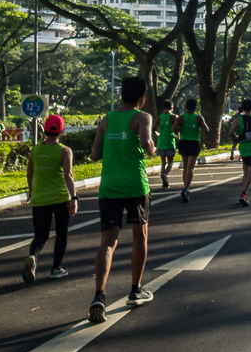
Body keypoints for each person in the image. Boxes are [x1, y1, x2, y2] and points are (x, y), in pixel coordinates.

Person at [88, 76, 156, 323]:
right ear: (142, 97)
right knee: (140, 236)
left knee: (107, 240)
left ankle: (99, 296)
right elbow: (145, 141)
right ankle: (136, 289)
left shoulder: (107, 119)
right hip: (135, 185)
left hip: (109, 187)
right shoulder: (142, 117)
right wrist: (152, 149)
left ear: (122, 95)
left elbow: (95, 155)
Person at [23, 114, 78, 282]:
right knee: (61, 234)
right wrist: (74, 198)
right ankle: (56, 268)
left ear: (44, 130)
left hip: (39, 199)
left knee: (40, 235)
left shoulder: (35, 150)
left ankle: (33, 256)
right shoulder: (64, 151)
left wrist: (31, 192)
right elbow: (68, 176)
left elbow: (29, 173)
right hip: (61, 198)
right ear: (61, 131)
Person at [172, 99, 209, 203]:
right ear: (195, 107)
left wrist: (180, 128)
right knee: (190, 167)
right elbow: (206, 130)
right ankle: (186, 188)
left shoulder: (181, 118)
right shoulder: (199, 118)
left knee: (185, 166)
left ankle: (185, 187)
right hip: (194, 143)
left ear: (186, 107)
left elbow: (173, 129)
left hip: (183, 142)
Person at [155, 100, 176, 190]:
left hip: (161, 142)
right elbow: (177, 128)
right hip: (170, 142)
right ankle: (165, 174)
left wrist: (158, 134)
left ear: (163, 108)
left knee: (163, 162)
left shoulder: (159, 118)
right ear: (172, 108)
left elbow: (153, 129)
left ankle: (164, 183)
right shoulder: (173, 117)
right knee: (170, 162)